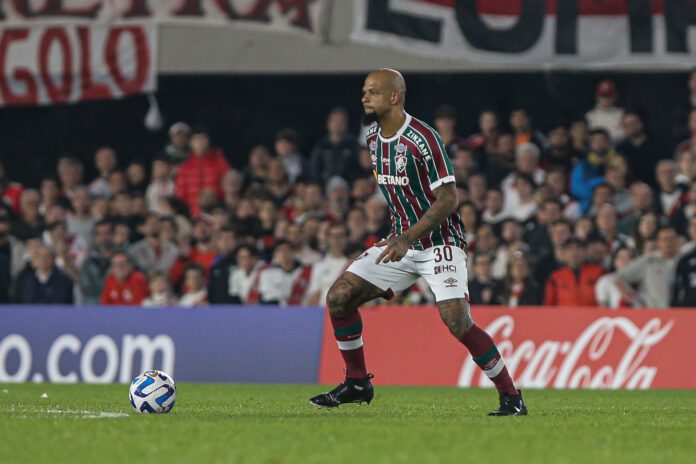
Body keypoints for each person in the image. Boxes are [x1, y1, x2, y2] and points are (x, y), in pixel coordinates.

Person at [310, 69, 526, 416]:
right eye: (364, 91)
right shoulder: (372, 137)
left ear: (394, 97)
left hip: (440, 241)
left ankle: (511, 397)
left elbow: (449, 199)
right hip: (400, 242)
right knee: (339, 297)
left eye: (373, 92)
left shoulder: (423, 138)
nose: (364, 98)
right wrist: (401, 237)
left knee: (457, 321)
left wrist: (408, 236)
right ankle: (357, 382)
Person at [615, 226, 680, 308]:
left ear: (678, 240)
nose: (669, 243)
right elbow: (619, 277)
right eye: (665, 239)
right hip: (656, 312)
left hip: (684, 313)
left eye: (672, 239)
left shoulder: (686, 260)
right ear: (658, 242)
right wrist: (634, 296)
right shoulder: (648, 262)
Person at [174, 126, 230, 216]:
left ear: (208, 141)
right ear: (190, 143)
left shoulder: (220, 162)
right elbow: (180, 193)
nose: (200, 142)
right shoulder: (185, 166)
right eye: (196, 139)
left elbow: (229, 186)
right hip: (193, 214)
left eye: (203, 138)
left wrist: (215, 198)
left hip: (217, 212)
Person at [544, 237, 603, 307]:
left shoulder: (599, 272)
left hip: (594, 316)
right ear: (564, 254)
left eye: (579, 248)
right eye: (570, 249)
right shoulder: (555, 277)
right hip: (564, 317)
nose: (574, 252)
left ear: (585, 252)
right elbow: (549, 305)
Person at [309, 107, 362, 185]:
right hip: (325, 187)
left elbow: (359, 168)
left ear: (346, 124)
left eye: (341, 121)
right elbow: (314, 169)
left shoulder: (353, 145)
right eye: (335, 121)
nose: (337, 124)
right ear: (328, 123)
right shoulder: (321, 145)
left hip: (348, 188)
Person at [306, 223, 350, 306]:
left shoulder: (353, 265)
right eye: (333, 236)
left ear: (347, 239)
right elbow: (314, 296)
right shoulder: (319, 266)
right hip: (324, 312)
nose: (337, 240)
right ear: (328, 239)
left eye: (340, 236)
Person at [672, 216, 696, 307]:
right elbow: (677, 287)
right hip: (689, 311)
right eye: (693, 225)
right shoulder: (684, 257)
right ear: (689, 230)